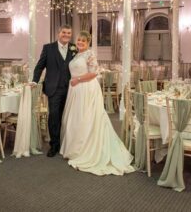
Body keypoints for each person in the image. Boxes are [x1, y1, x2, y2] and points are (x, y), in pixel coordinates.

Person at [60, 31, 134, 176]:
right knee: (76, 119)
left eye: (83, 41)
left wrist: (78, 80)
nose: (80, 42)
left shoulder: (90, 54)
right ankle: (75, 149)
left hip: (86, 89)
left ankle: (86, 150)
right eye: (79, 40)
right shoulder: (76, 54)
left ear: (88, 43)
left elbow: (94, 73)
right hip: (75, 90)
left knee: (86, 119)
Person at [32, 24, 76, 157]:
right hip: (53, 89)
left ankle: (66, 143)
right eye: (64, 32)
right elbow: (39, 67)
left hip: (71, 89)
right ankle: (54, 144)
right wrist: (35, 80)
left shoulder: (74, 48)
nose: (66, 35)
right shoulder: (48, 48)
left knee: (68, 116)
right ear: (59, 33)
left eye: (69, 33)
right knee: (54, 117)